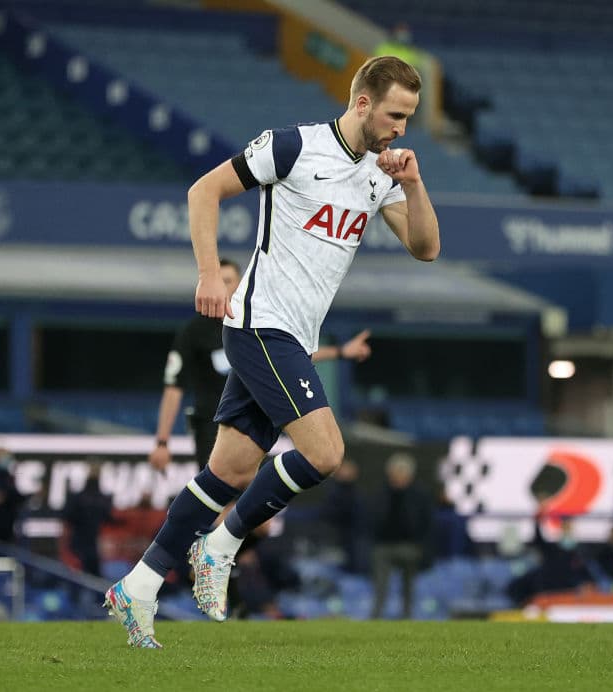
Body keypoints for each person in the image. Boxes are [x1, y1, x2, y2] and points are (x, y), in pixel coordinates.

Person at [104, 55, 439, 648]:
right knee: (327, 453)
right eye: (395, 115)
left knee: (228, 470)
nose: (401, 129)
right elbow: (204, 190)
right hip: (260, 324)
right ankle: (221, 544)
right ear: (362, 103)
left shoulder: (381, 174)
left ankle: (137, 586)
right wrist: (210, 273)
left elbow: (426, 248)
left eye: (409, 117)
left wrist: (412, 181)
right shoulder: (293, 148)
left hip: (294, 339)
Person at [148, 256, 373, 471]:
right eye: (219, 280)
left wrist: (341, 351)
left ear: (241, 284)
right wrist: (162, 441)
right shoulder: (194, 332)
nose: (224, 287)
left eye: (229, 281)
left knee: (252, 496)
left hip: (255, 419)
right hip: (212, 425)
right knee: (222, 495)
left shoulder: (255, 323)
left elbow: (287, 357)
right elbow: (173, 387)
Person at [370, 452, 433, 619]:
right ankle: (375, 618)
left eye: (402, 472)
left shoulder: (419, 495)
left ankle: (407, 618)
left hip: (409, 546)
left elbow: (427, 522)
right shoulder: (381, 493)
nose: (398, 477)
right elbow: (371, 518)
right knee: (380, 587)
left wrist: (422, 547)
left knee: (408, 588)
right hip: (383, 545)